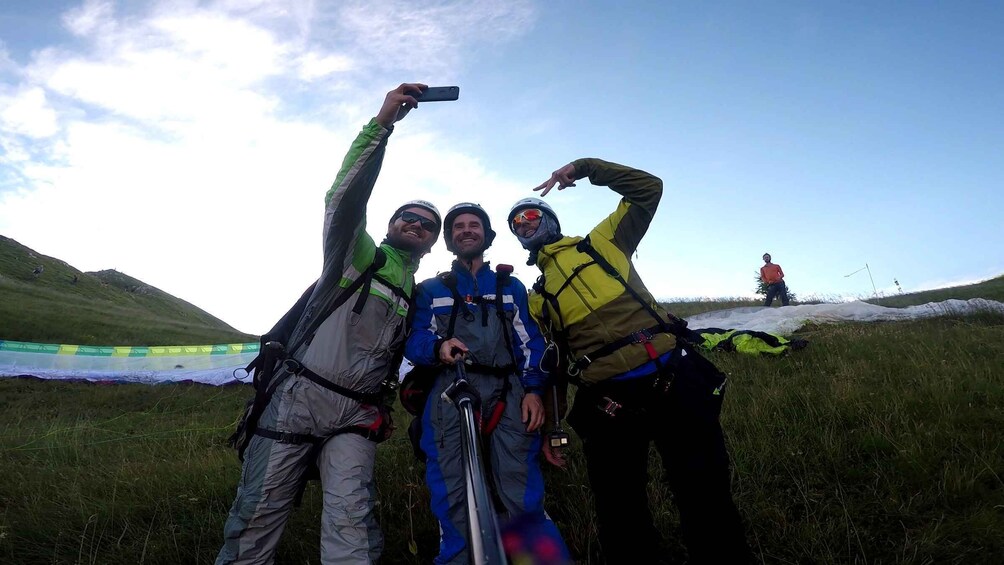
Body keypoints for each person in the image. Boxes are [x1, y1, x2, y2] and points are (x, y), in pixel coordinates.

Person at [216, 83, 442, 565]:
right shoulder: (358, 255)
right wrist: (381, 127)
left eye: (428, 225)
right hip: (298, 400)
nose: (418, 225)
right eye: (409, 217)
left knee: (352, 518)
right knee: (258, 513)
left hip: (358, 414)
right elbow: (343, 197)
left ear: (431, 243)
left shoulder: (419, 294)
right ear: (390, 224)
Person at [508, 159, 752, 564]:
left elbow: (648, 188)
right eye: (516, 224)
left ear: (550, 217)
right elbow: (550, 368)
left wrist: (585, 169)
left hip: (672, 378)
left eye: (530, 214)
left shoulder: (602, 241)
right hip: (607, 403)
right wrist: (553, 430)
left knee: (705, 493)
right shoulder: (538, 295)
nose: (524, 224)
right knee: (619, 511)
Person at [405, 202, 569, 564]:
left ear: (487, 235)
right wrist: (438, 346)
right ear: (449, 239)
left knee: (520, 489)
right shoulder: (431, 290)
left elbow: (531, 343)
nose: (466, 230)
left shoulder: (510, 286)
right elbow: (414, 340)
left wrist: (533, 392)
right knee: (453, 492)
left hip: (510, 394)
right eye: (458, 226)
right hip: (450, 394)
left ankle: (537, 560)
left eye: (474, 225)